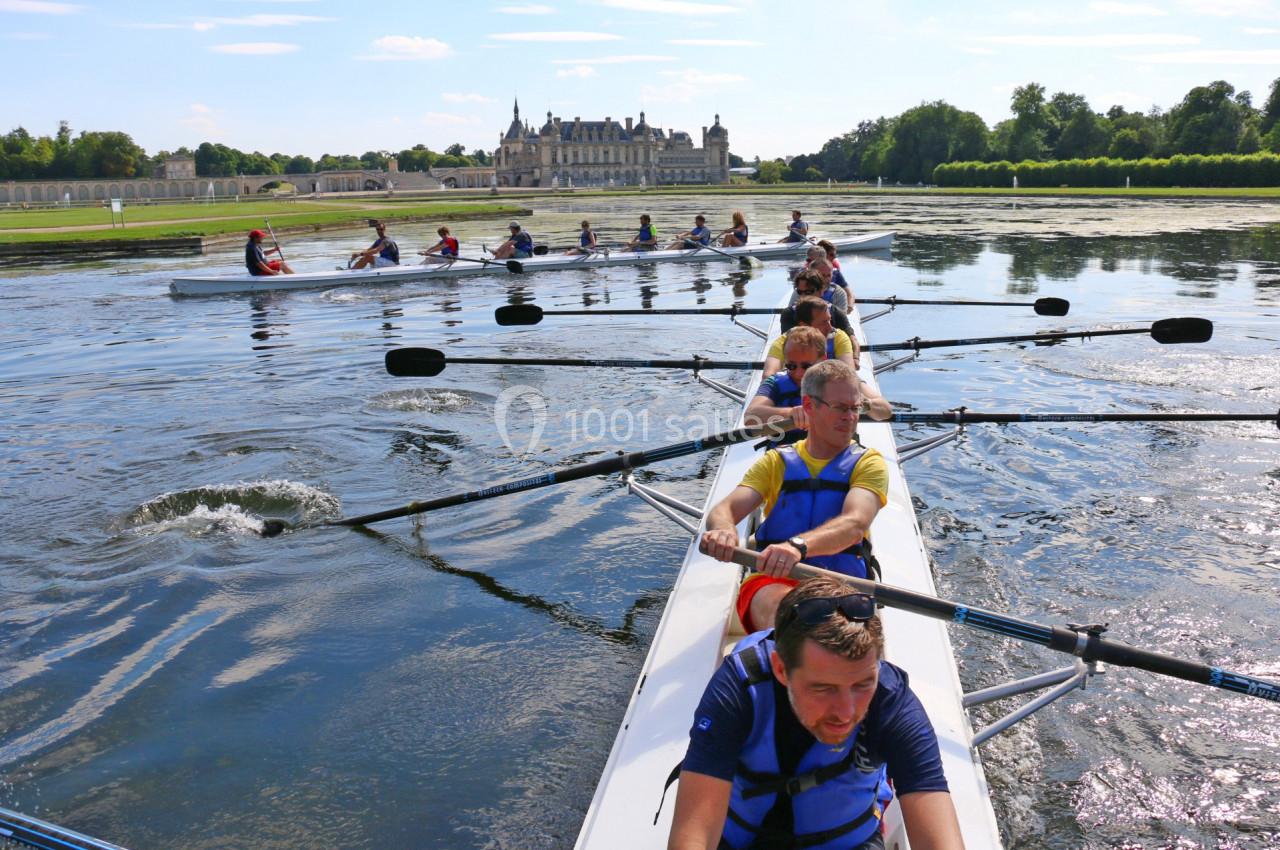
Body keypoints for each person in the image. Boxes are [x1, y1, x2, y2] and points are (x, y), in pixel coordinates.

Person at [667, 576, 965, 850]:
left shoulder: (893, 703)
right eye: (823, 688)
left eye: (863, 683)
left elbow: (939, 837)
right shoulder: (739, 688)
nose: (846, 713)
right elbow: (694, 836)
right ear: (781, 669)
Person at [704, 360, 887, 635]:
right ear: (809, 406)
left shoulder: (869, 463)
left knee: (825, 629)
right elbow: (724, 510)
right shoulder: (776, 462)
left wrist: (797, 547)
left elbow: (854, 524)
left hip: (843, 583)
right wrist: (723, 531)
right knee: (796, 618)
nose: (850, 417)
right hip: (774, 580)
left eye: (855, 408)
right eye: (840, 408)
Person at [752, 321, 891, 447]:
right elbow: (750, 416)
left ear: (822, 358)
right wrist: (791, 413)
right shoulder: (775, 382)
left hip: (835, 459)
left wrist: (859, 403)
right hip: (786, 459)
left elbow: (885, 410)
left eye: (806, 366)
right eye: (791, 366)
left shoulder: (843, 379)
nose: (799, 373)